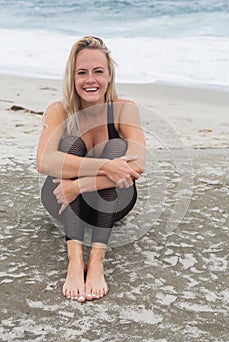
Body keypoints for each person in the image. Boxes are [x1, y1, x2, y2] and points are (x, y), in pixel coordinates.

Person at [36, 36, 146, 303]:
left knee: (117, 147)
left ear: (109, 76)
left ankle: (96, 261)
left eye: (98, 71)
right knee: (70, 144)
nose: (90, 80)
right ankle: (75, 261)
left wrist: (80, 184)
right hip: (61, 197)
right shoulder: (59, 110)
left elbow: (138, 163)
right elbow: (45, 161)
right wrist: (105, 167)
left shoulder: (124, 109)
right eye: (82, 72)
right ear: (72, 77)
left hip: (110, 201)